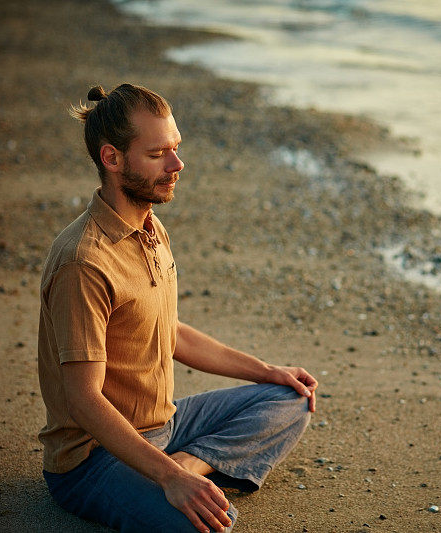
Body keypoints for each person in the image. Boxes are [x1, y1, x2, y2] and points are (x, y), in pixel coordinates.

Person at [37, 83, 317, 533]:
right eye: (157, 154)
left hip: (165, 426)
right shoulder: (83, 262)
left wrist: (266, 371)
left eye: (176, 148)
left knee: (291, 398)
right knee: (212, 523)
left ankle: (191, 462)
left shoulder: (150, 227)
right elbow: (83, 400)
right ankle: (180, 472)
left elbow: (170, 333)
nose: (177, 164)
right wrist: (168, 478)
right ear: (112, 159)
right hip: (93, 460)